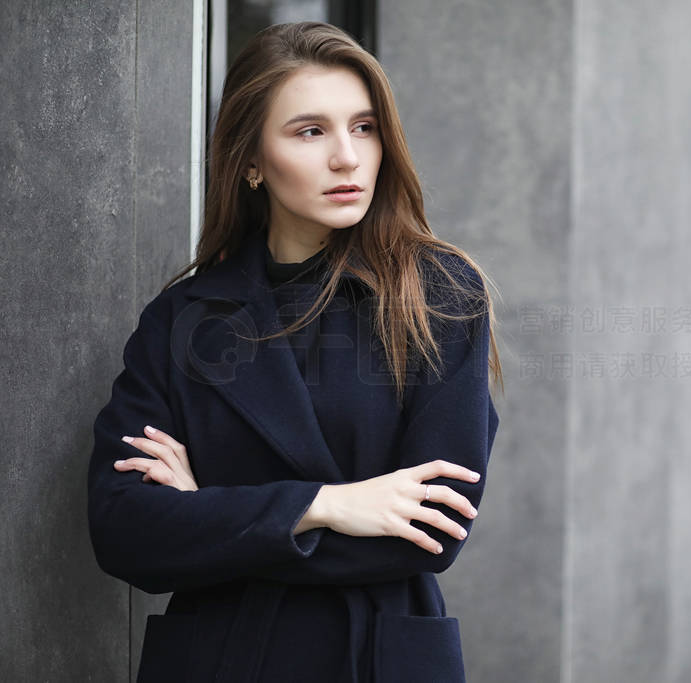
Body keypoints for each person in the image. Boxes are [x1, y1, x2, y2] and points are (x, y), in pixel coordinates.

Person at [87, 21, 502, 683]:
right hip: (224, 657)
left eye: (364, 127)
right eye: (310, 131)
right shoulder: (184, 318)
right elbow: (123, 529)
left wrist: (210, 511)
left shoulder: (440, 296)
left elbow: (433, 526)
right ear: (251, 161)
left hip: (376, 658)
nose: (348, 157)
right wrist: (324, 504)